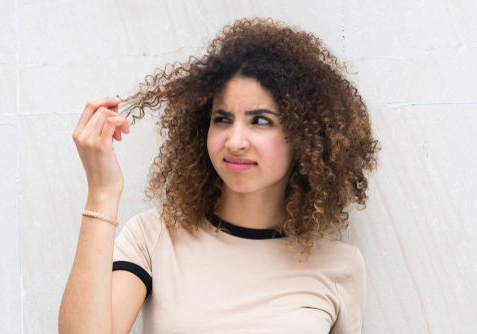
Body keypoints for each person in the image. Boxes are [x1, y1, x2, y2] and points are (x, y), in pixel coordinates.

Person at [59, 17, 379, 334]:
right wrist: (102, 191)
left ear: (305, 137)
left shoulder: (340, 265)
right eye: (222, 119)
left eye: (261, 121)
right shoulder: (155, 236)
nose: (235, 141)